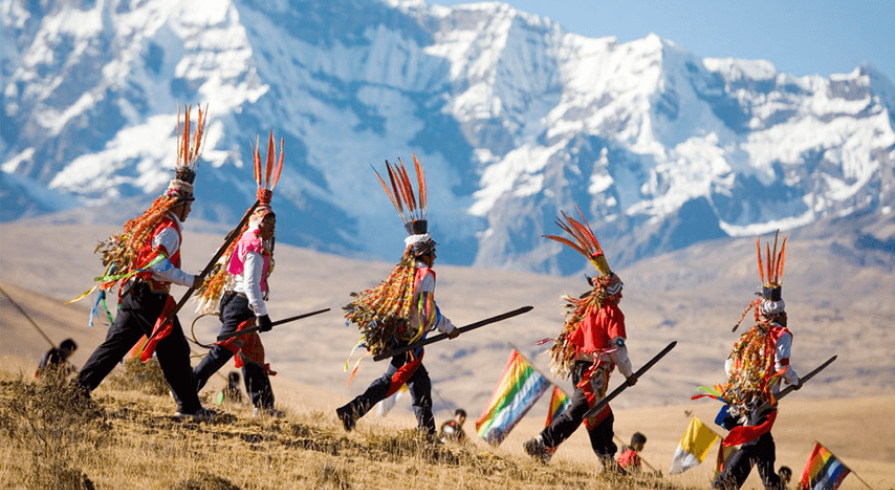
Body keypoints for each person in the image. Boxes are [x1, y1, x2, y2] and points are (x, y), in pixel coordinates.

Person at [73, 106, 215, 421]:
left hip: (137, 295)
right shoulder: (169, 230)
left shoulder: (154, 222)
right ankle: (189, 408)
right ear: (181, 203)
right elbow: (158, 267)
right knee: (164, 349)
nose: (190, 210)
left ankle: (76, 393)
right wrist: (191, 280)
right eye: (189, 205)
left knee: (163, 349)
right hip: (149, 298)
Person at [336, 156, 459, 436]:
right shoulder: (425, 275)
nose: (435, 255)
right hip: (411, 339)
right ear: (422, 253)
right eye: (432, 250)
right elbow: (427, 312)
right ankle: (351, 411)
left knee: (420, 383)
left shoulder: (405, 273)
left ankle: (426, 434)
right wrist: (448, 328)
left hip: (401, 337)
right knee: (390, 383)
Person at [523, 208, 636, 472]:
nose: (621, 295)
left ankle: (608, 462)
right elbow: (618, 347)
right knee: (580, 412)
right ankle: (543, 443)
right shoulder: (611, 312)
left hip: (579, 369)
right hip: (594, 373)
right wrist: (628, 373)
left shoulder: (588, 309)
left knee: (600, 416)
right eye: (618, 290)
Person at [193, 132, 285, 418]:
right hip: (241, 304)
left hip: (237, 302)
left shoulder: (246, 239)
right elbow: (250, 284)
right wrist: (262, 314)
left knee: (253, 356)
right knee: (222, 351)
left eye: (273, 222)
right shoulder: (254, 247)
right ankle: (186, 389)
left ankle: (264, 408)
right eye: (267, 222)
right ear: (259, 222)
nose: (271, 227)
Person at [708, 231, 801, 490]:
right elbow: (781, 367)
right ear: (780, 313)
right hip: (762, 399)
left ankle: (772, 484)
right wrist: (796, 380)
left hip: (743, 397)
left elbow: (729, 364)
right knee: (752, 444)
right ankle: (724, 485)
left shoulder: (750, 335)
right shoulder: (781, 335)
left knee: (764, 443)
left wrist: (742, 383)